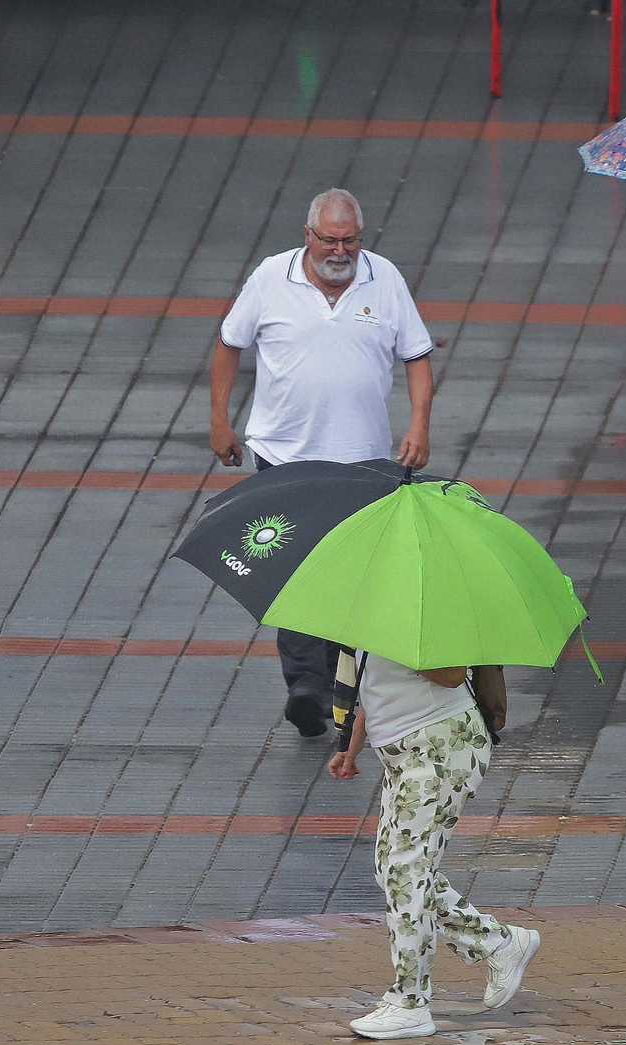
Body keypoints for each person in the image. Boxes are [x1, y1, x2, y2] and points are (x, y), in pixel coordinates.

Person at [210, 188, 437, 738]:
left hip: (363, 462)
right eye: (330, 239)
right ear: (307, 235)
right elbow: (228, 344)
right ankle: (306, 685)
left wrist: (419, 424)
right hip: (284, 455)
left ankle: (345, 690)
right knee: (294, 572)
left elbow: (417, 356)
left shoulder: (384, 279)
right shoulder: (270, 278)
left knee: (354, 580)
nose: (340, 251)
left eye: (350, 240)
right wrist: (220, 419)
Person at [327, 654, 539, 1039]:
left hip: (442, 746)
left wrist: (405, 643)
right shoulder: (373, 611)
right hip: (406, 753)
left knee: (407, 872)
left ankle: (410, 1002)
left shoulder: (421, 607)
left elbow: (452, 674)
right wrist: (351, 746)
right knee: (392, 870)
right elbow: (371, 687)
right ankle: (500, 943)